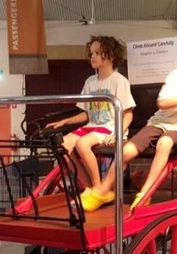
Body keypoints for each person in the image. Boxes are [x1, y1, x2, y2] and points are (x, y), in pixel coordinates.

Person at [81, 33, 177, 212]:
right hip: (159, 121)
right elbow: (163, 102)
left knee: (164, 143)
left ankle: (145, 193)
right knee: (126, 151)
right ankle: (103, 190)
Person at [45, 36, 136, 190]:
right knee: (62, 144)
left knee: (82, 144)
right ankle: (89, 187)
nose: (93, 56)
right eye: (92, 53)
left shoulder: (119, 81)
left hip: (111, 127)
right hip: (93, 126)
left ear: (111, 56)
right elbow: (87, 114)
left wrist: (118, 133)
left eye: (98, 52)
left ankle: (98, 188)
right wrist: (65, 121)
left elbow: (128, 114)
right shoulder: (90, 82)